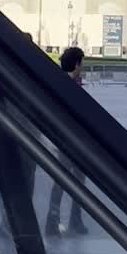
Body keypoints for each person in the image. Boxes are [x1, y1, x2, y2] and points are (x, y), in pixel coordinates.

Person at [45, 46, 88, 236]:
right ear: (77, 63)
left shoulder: (64, 80)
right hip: (71, 141)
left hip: (66, 140)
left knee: (65, 181)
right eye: (82, 63)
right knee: (72, 181)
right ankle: (67, 220)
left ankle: (57, 220)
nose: (83, 67)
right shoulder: (71, 84)